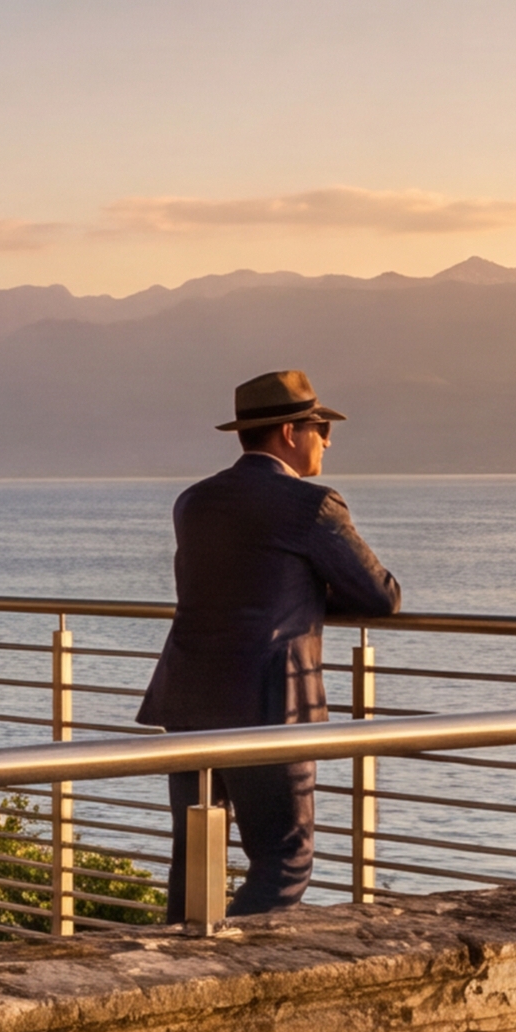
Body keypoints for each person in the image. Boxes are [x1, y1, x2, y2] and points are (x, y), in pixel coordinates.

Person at [130, 369, 402, 915]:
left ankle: (181, 971)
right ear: (288, 432)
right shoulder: (312, 505)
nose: (327, 439)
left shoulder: (194, 501)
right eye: (320, 426)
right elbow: (381, 595)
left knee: (194, 860)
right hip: (271, 706)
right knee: (285, 860)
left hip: (188, 701)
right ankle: (235, 975)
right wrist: (314, 590)